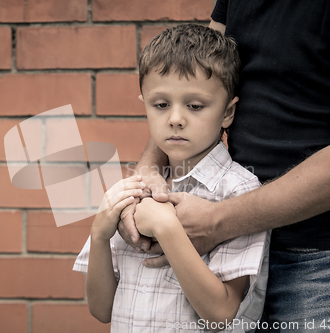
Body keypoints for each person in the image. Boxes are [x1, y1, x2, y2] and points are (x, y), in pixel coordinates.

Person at [118, 1, 330, 331]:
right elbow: (197, 75)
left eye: (193, 108)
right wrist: (147, 171)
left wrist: (216, 221)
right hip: (232, 243)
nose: (177, 117)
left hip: (325, 259)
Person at [74, 24, 269, 332]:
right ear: (145, 106)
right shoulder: (132, 190)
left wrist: (167, 227)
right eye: (161, 105)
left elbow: (221, 315)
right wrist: (99, 234)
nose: (176, 119)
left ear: (228, 113)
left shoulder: (239, 191)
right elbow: (101, 310)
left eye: (195, 106)